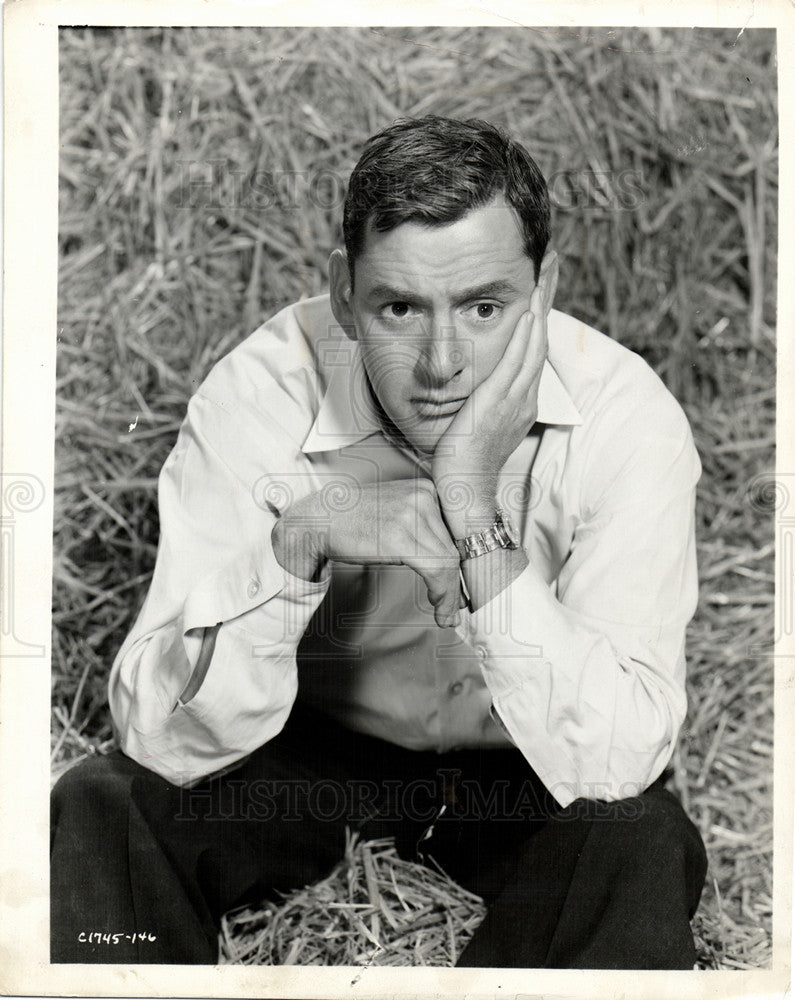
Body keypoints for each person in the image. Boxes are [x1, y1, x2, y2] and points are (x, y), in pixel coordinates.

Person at [51, 115, 708, 968]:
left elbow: (617, 764)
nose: (441, 364)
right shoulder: (263, 390)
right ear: (341, 293)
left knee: (639, 840)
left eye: (483, 307)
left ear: (544, 288)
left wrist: (472, 503)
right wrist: (299, 541)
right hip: (305, 751)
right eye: (399, 307)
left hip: (525, 771)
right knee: (104, 805)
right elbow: (154, 733)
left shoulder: (628, 415)